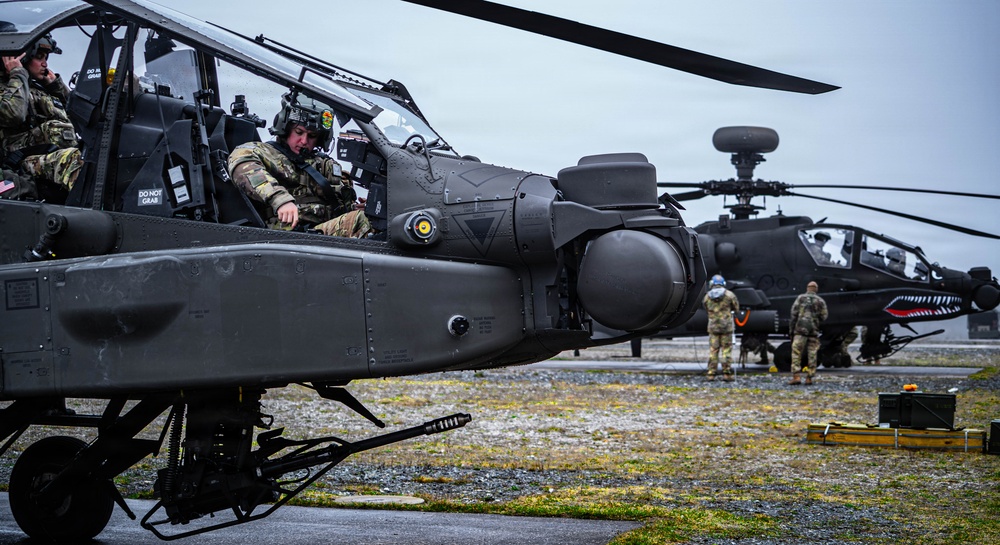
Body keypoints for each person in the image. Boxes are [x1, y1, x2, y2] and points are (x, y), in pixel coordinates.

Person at [228, 93, 370, 237]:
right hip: (289, 237)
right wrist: (280, 200)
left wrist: (357, 207)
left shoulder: (326, 165)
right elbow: (242, 166)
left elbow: (338, 210)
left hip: (322, 234)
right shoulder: (263, 152)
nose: (304, 141)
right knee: (363, 220)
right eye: (299, 132)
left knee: (372, 218)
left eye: (312, 136)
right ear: (285, 128)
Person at [0, 33, 83, 196]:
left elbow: (81, 116)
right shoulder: (9, 90)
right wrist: (17, 73)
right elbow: (13, 113)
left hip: (50, 154)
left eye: (46, 57)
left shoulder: (41, 89)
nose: (45, 63)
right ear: (22, 58)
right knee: (76, 160)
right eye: (39, 57)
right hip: (19, 163)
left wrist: (56, 87)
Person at [788, 281, 828, 385]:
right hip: (813, 331)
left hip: (800, 330)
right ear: (816, 289)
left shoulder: (800, 298)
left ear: (807, 288)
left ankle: (796, 376)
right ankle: (809, 378)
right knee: (812, 354)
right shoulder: (820, 301)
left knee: (796, 352)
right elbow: (824, 316)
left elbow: (793, 314)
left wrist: (791, 330)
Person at [703, 274, 740, 382]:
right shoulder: (729, 295)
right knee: (726, 350)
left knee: (713, 351)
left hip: (713, 327)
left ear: (711, 284)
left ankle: (711, 374)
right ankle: (726, 374)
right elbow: (736, 308)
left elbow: (705, 308)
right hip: (726, 327)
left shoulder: (707, 296)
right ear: (723, 284)